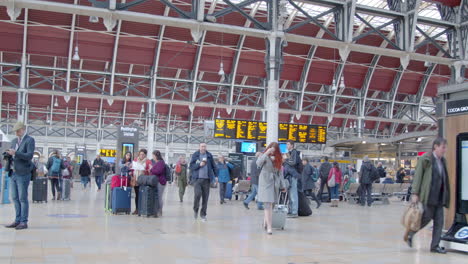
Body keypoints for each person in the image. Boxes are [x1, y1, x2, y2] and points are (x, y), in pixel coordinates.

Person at [405, 138, 450, 254]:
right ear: (435, 146)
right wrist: (415, 193)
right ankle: (411, 234)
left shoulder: (443, 161)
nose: (445, 150)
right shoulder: (426, 159)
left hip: (439, 197)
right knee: (425, 218)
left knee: (439, 222)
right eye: (443, 147)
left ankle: (435, 246)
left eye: (445, 147)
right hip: (428, 195)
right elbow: (418, 175)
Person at [5, 122, 35, 230]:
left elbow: (29, 156)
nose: (16, 133)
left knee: (22, 198)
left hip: (23, 173)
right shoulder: (14, 141)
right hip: (13, 172)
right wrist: (8, 154)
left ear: (23, 129)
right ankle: (17, 220)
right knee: (14, 197)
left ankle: (23, 221)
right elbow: (12, 154)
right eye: (16, 131)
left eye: (18, 130)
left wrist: (16, 153)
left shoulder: (29, 140)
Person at [257, 142, 286, 235]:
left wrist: (283, 185)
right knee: (268, 204)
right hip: (265, 181)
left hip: (274, 182)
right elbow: (258, 163)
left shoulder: (279, 159)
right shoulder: (264, 156)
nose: (272, 151)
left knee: (271, 204)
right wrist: (266, 153)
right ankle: (269, 227)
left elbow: (280, 173)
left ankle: (266, 222)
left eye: (274, 149)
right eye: (271, 149)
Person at [190, 143, 217, 222]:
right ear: (199, 147)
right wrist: (199, 164)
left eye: (204, 146)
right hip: (197, 179)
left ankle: (203, 214)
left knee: (205, 198)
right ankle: (195, 210)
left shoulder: (209, 155)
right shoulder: (195, 155)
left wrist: (216, 176)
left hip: (207, 180)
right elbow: (191, 167)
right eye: (202, 146)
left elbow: (213, 166)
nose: (203, 148)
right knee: (197, 195)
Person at [131, 149, 152, 215]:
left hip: (144, 180)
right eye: (140, 154)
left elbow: (150, 171)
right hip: (136, 180)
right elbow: (132, 169)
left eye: (143, 154)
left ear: (145, 155)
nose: (141, 155)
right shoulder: (135, 160)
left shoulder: (148, 161)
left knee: (143, 195)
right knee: (137, 195)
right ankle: (137, 209)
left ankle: (142, 209)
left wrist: (145, 170)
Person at [285, 140, 301, 218]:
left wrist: (286, 160)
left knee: (293, 194)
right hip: (290, 176)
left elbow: (293, 162)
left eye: (288, 144)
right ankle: (291, 211)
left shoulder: (294, 152)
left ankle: (294, 212)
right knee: (290, 194)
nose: (286, 146)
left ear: (292, 145)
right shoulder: (290, 153)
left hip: (294, 176)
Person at [150, 150, 167, 217]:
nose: (153, 157)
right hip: (157, 181)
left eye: (153, 155)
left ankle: (160, 211)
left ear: (156, 155)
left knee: (159, 197)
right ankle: (156, 210)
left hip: (161, 182)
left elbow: (158, 171)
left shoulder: (161, 162)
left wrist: (151, 169)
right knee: (157, 197)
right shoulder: (157, 162)